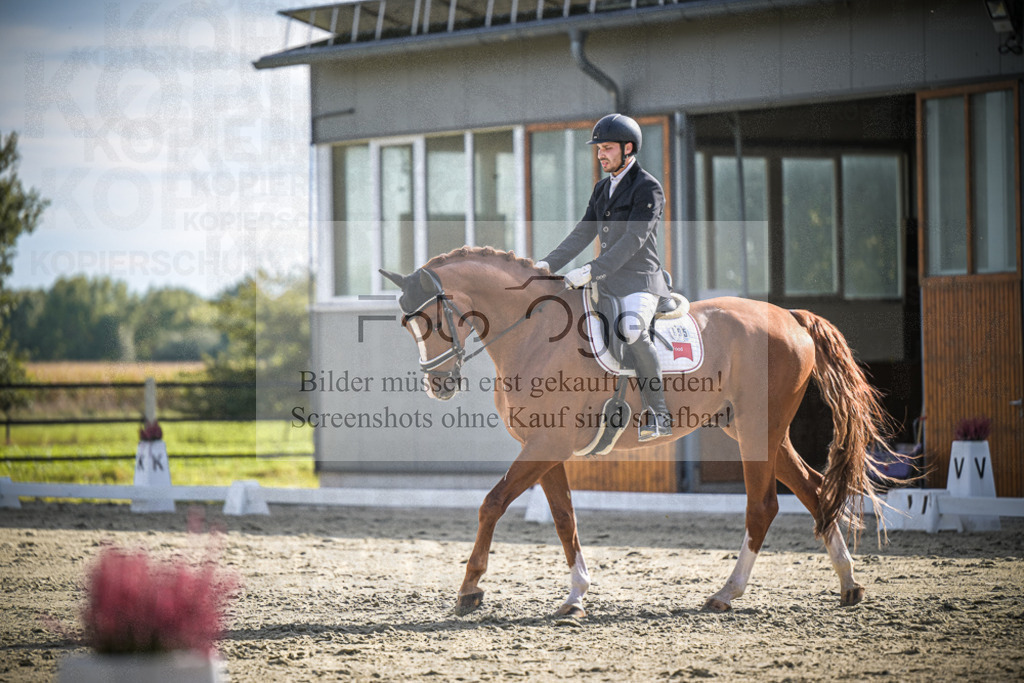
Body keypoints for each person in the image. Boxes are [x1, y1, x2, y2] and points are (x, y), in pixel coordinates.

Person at [535, 113, 672, 442]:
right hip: (607, 282)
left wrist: (592, 269)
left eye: (607, 148)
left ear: (628, 149)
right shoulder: (602, 189)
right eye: (598, 149)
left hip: (640, 281)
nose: (600, 155)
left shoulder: (648, 188)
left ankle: (660, 413)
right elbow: (582, 233)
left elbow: (633, 241)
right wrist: (546, 265)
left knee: (631, 328)